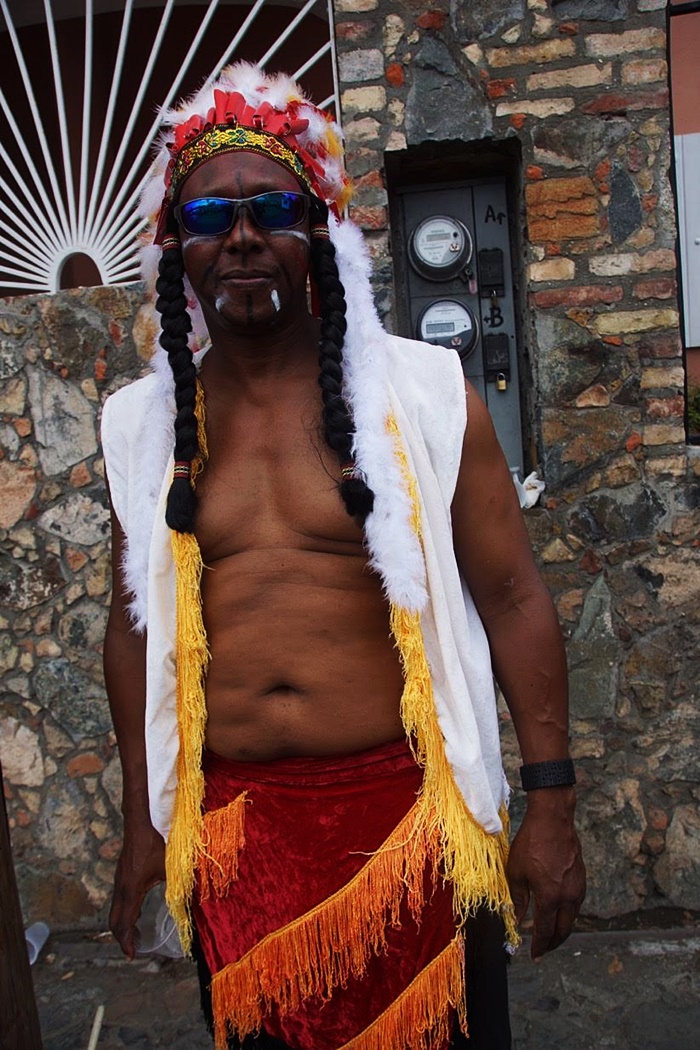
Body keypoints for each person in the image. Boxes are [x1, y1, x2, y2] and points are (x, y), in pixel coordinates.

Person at [102, 62, 585, 1050]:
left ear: (318, 228)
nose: (242, 237)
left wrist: (552, 805)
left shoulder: (426, 396)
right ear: (176, 243)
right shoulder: (142, 429)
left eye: (273, 208)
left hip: (409, 828)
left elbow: (513, 598)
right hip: (239, 844)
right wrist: (142, 822)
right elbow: (133, 627)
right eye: (210, 215)